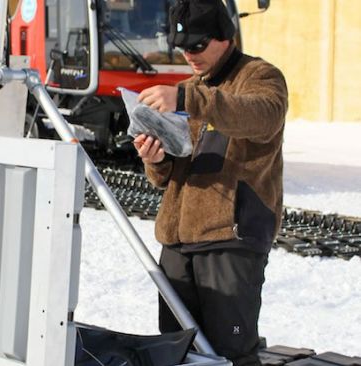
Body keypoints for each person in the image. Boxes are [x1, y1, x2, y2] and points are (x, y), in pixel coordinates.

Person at [133, 0, 288, 365]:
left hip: (229, 238)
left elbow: (260, 118)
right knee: (175, 349)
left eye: (198, 45)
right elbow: (170, 170)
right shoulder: (190, 88)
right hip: (177, 240)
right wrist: (156, 159)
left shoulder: (261, 78)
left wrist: (188, 98)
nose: (190, 55)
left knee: (230, 352)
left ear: (226, 37)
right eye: (183, 47)